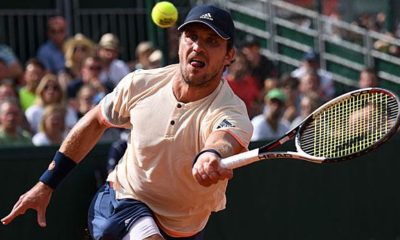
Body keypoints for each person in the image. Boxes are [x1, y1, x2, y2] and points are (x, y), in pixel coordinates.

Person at [1, 5, 253, 240]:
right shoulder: (141, 84)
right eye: (192, 36)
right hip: (122, 200)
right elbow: (95, 121)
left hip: (184, 228)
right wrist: (47, 182)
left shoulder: (231, 109)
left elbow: (223, 139)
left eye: (212, 41)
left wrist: (211, 154)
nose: (198, 47)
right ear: (179, 43)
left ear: (229, 55)